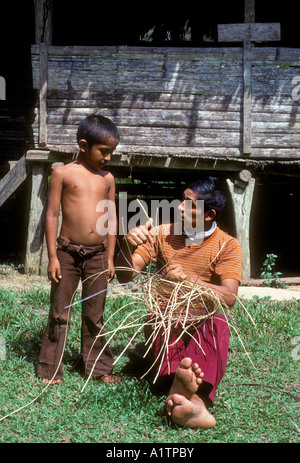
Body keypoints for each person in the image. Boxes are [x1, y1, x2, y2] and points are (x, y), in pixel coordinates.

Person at [116, 176, 242, 428]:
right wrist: (126, 244)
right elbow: (126, 275)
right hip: (167, 315)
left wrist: (189, 280)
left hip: (202, 318)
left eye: (189, 203)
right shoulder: (162, 233)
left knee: (218, 322)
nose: (180, 207)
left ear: (209, 214)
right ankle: (193, 399)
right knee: (161, 318)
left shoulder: (227, 245)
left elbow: (229, 297)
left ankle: (187, 394)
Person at [37, 114, 121, 385]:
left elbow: (111, 217)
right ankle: (50, 370)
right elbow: (51, 215)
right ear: (84, 146)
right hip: (66, 252)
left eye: (111, 152)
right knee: (60, 312)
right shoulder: (62, 173)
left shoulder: (107, 178)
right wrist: (52, 257)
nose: (108, 158)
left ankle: (98, 368)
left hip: (98, 254)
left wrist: (109, 257)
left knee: (95, 314)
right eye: (104, 151)